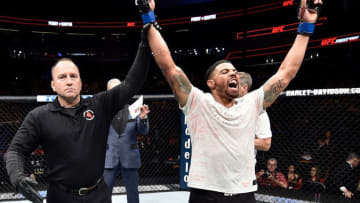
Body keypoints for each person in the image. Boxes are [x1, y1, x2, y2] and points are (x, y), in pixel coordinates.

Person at [136, 0, 322, 201]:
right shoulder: (198, 102)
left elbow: (286, 72)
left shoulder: (251, 103)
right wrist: (148, 17)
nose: (233, 74)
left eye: (234, 71)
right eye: (225, 72)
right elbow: (168, 66)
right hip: (206, 194)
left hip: (244, 194)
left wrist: (306, 27)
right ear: (211, 83)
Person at [5, 26, 152, 203]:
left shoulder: (100, 105)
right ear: (53, 85)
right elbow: (15, 150)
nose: (69, 81)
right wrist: (17, 178)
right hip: (60, 197)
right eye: (62, 77)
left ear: (81, 83)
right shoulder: (39, 116)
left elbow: (131, 84)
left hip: (99, 195)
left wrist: (145, 44)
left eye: (73, 76)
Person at [103, 78, 150, 203]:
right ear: (108, 92)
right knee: (104, 193)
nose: (116, 92)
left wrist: (143, 118)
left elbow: (143, 131)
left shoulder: (134, 110)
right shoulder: (101, 110)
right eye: (113, 89)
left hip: (129, 157)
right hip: (108, 157)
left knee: (133, 192)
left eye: (118, 89)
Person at [237, 72, 272, 153]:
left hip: (242, 163)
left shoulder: (256, 108)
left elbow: (266, 144)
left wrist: (235, 140)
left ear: (244, 87)